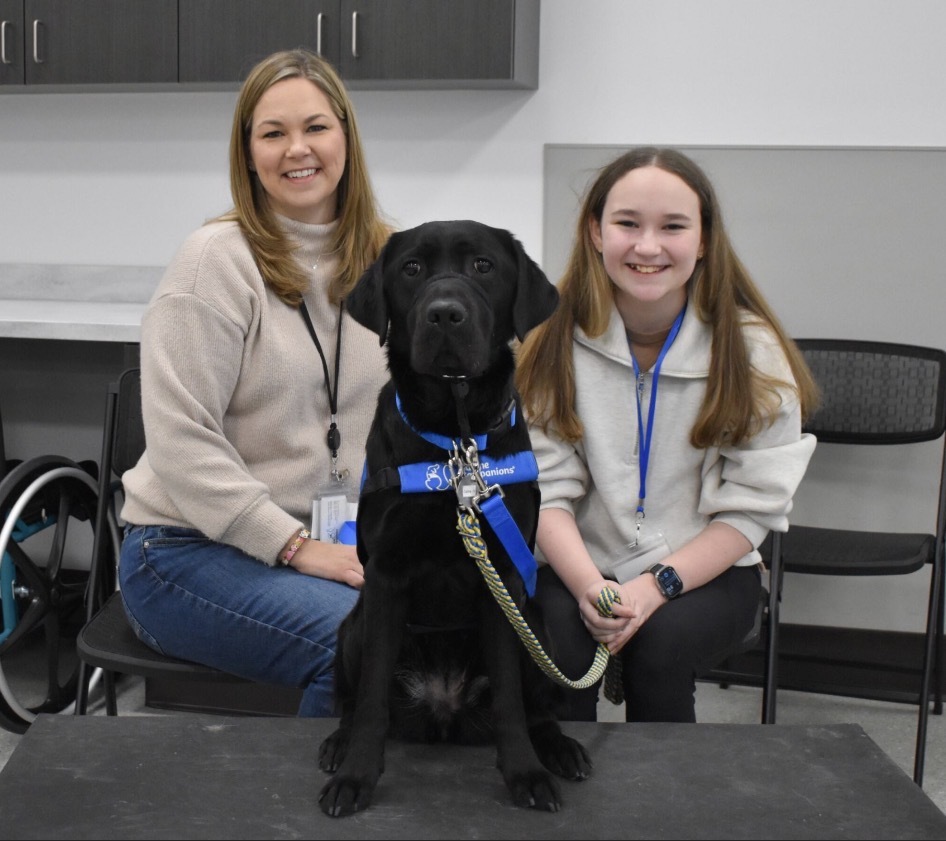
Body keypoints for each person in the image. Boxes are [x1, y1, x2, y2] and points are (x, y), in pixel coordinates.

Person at [117, 49, 391, 716]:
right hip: (186, 551)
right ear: (248, 154)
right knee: (356, 642)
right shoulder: (214, 261)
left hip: (334, 540)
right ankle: (306, 816)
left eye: (317, 127)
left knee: (448, 629)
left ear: (347, 138)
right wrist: (296, 547)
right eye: (272, 133)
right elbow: (182, 443)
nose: (297, 149)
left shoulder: (391, 257)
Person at [516, 146, 819, 722]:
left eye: (673, 227)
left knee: (660, 647)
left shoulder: (750, 350)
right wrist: (592, 589)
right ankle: (562, 803)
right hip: (577, 562)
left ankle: (661, 810)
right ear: (596, 232)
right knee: (561, 644)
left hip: (706, 570)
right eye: (627, 223)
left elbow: (752, 509)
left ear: (703, 240)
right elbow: (543, 493)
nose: (648, 246)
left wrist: (654, 588)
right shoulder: (548, 339)